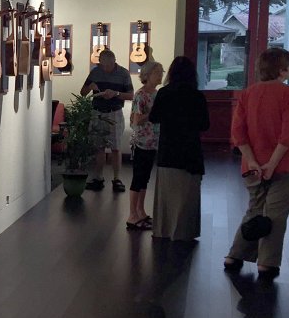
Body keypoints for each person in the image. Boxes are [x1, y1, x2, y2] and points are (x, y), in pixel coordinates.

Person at [224, 48, 289, 281]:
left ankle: (234, 255)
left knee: (254, 209)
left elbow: (237, 133)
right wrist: (272, 164)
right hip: (287, 164)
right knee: (275, 214)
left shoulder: (247, 94)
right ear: (282, 70)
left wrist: (253, 161)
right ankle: (267, 264)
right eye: (288, 67)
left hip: (253, 165)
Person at [148, 56, 209, 241]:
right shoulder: (198, 96)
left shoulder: (164, 93)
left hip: (168, 150)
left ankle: (164, 230)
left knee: (167, 196)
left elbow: (153, 117)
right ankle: (184, 232)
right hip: (190, 151)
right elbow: (205, 125)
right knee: (187, 195)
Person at [81, 49, 135, 192]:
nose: (105, 68)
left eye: (107, 66)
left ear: (113, 61)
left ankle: (117, 179)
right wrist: (90, 87)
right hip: (97, 112)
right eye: (102, 65)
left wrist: (116, 94)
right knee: (98, 147)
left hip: (114, 112)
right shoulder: (95, 72)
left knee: (115, 148)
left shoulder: (123, 73)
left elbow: (131, 95)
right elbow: (82, 92)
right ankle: (98, 178)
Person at [127, 59, 163, 230]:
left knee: (145, 179)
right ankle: (132, 215)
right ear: (147, 75)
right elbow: (136, 121)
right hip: (141, 142)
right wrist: (153, 113)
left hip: (153, 142)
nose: (160, 75)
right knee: (138, 178)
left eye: (161, 72)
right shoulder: (141, 95)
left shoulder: (157, 93)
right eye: (158, 72)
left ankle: (141, 211)